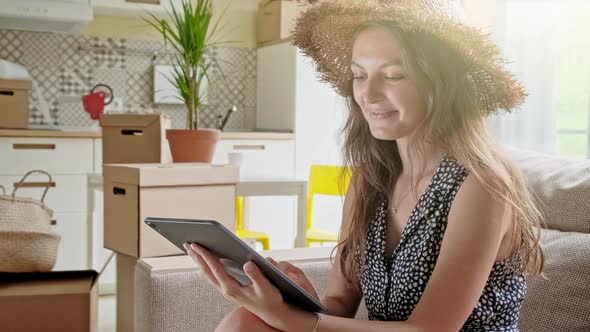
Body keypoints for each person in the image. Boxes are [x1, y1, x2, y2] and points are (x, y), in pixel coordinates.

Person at [184, 1, 545, 331]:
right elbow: (340, 304)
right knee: (244, 322)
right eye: (359, 75)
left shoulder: (482, 186)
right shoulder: (369, 181)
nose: (367, 94)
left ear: (443, 83)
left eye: (392, 75)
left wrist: (297, 322)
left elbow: (430, 330)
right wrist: (297, 299)